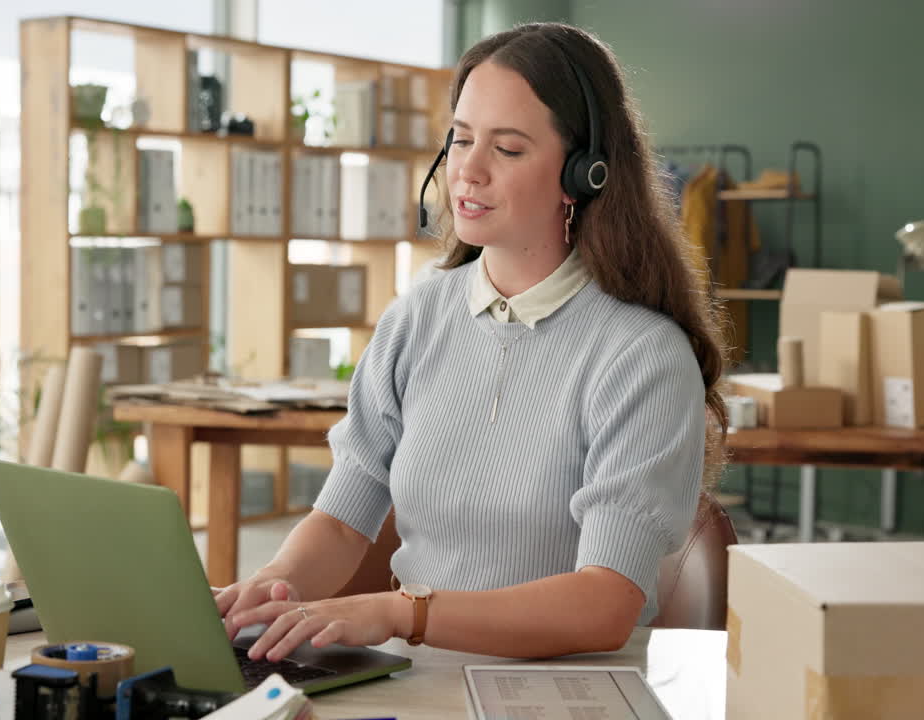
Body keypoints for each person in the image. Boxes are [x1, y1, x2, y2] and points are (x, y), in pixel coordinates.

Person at [216, 22, 729, 662]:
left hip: (567, 691)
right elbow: (345, 522)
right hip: (421, 675)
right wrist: (269, 588)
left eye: (508, 149)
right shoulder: (417, 318)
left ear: (584, 173)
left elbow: (605, 605)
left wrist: (401, 612)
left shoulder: (641, 356)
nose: (469, 170)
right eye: (460, 139)